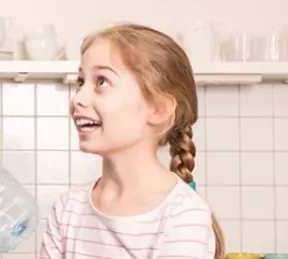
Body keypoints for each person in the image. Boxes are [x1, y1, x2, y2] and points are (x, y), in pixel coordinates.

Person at [39, 23, 225, 259]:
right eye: (80, 82)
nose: (78, 98)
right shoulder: (67, 210)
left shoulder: (184, 215)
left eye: (102, 82)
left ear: (157, 108)